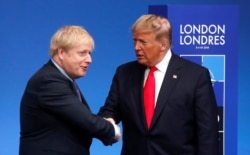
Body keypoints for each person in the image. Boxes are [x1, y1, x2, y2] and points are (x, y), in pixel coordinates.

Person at [98, 14, 219, 155]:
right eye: (135, 41)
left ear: (163, 45)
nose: (136, 47)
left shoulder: (195, 76)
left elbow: (208, 133)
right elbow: (109, 111)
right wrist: (108, 122)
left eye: (143, 42)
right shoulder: (124, 73)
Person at [19, 25, 120, 155]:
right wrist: (112, 130)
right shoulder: (48, 81)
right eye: (82, 53)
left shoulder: (62, 79)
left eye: (89, 53)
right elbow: (86, 120)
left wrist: (103, 122)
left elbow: (79, 119)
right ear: (61, 53)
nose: (89, 60)